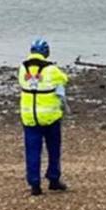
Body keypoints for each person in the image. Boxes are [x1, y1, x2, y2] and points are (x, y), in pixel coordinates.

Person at [17, 38, 70, 196]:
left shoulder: (22, 68)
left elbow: (23, 82)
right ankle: (53, 179)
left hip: (29, 116)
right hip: (49, 116)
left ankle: (34, 184)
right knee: (53, 149)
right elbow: (64, 79)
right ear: (46, 52)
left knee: (32, 151)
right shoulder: (51, 69)